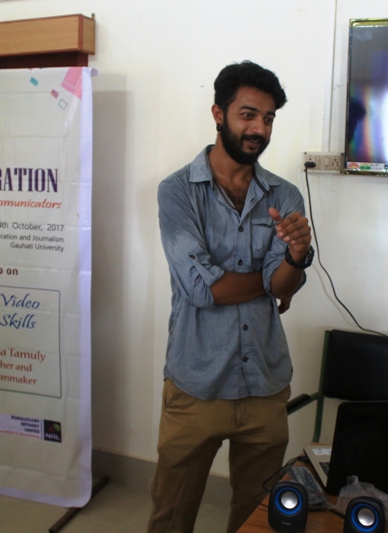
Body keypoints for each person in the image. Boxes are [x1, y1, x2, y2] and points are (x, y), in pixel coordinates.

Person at [148, 61, 314, 533]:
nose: (259, 128)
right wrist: (270, 278)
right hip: (197, 384)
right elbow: (203, 288)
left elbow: (284, 287)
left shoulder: (285, 195)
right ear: (218, 114)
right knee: (171, 516)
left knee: (256, 518)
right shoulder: (177, 192)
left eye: (268, 118)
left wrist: (295, 257)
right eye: (248, 115)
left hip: (265, 384)